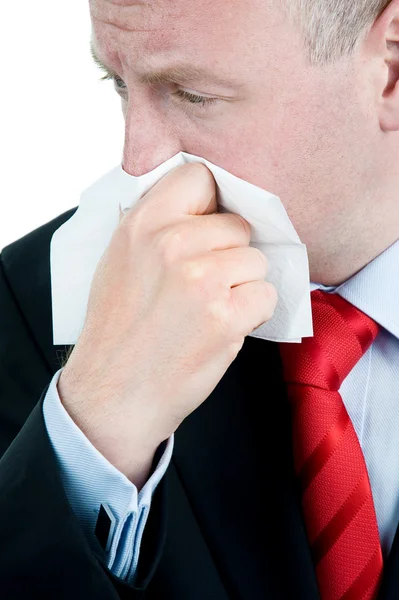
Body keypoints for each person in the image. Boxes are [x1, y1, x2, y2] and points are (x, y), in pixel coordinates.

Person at [1, 0, 398, 598]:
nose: (138, 165)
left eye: (192, 95)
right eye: (119, 84)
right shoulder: (31, 303)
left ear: (390, 67)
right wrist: (95, 425)